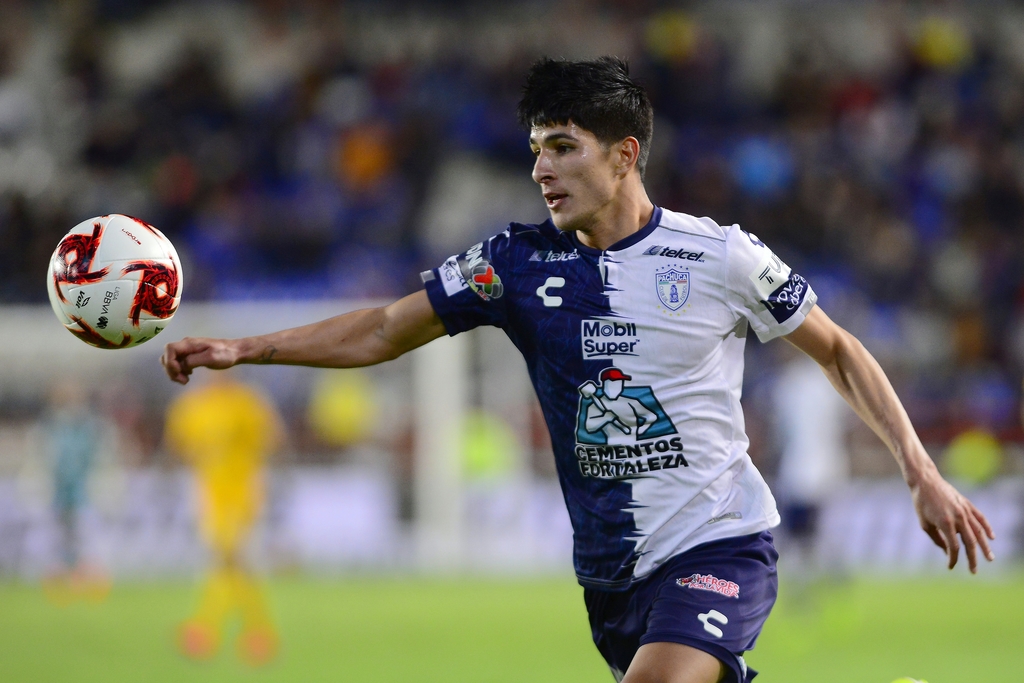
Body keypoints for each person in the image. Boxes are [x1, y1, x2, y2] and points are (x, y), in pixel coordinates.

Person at [161, 57, 995, 683]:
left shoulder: (720, 256)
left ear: (624, 155)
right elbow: (383, 328)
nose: (541, 169)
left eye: (563, 147)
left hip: (722, 541)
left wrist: (920, 471)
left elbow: (839, 348)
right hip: (609, 575)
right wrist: (244, 349)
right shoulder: (512, 264)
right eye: (535, 150)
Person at [164, 371, 283, 665]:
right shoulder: (193, 405)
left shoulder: (246, 401)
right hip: (208, 494)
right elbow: (176, 444)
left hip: (242, 493)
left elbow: (273, 438)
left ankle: (208, 627)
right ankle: (256, 630)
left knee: (229, 558)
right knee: (230, 562)